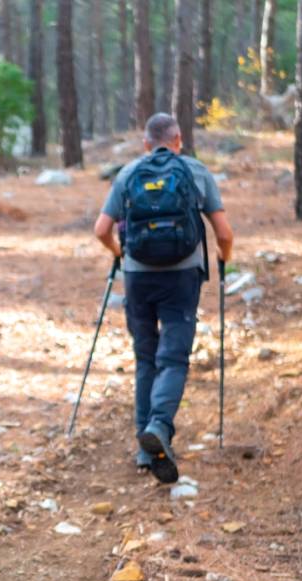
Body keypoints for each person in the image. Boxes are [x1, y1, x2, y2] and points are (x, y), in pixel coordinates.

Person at [93, 113, 234, 484]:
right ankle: (158, 426)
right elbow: (224, 233)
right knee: (172, 358)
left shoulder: (128, 174)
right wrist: (225, 257)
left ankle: (146, 449)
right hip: (182, 277)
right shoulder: (195, 171)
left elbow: (101, 229)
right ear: (178, 140)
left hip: (138, 277)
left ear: (146, 144)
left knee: (146, 358)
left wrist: (119, 253)